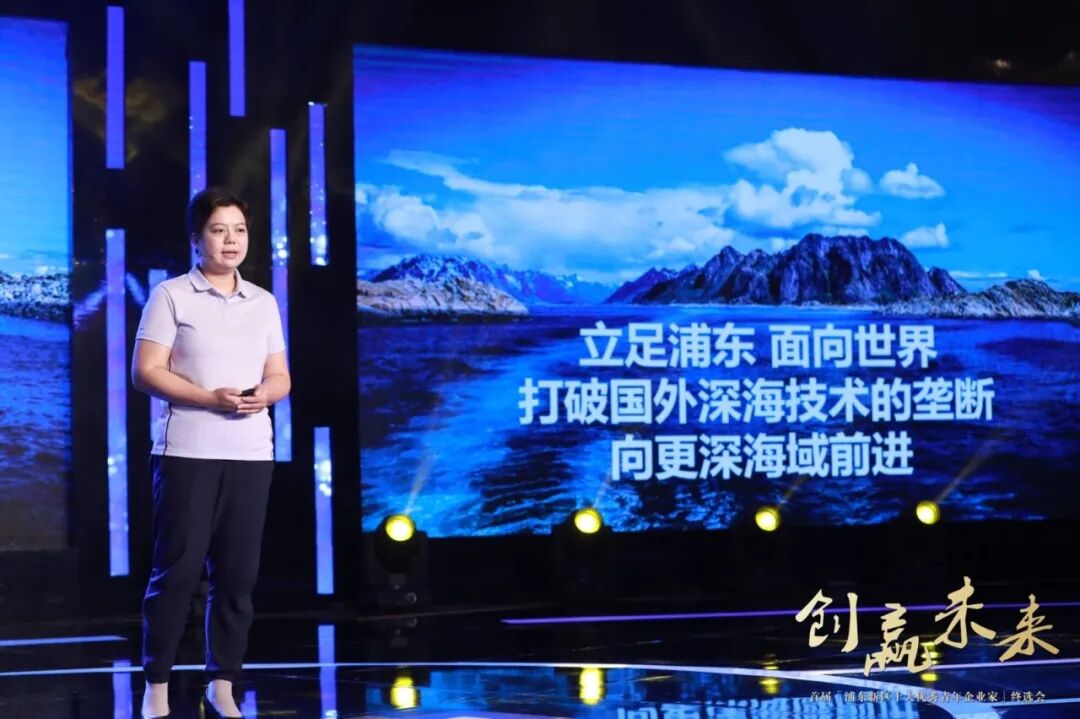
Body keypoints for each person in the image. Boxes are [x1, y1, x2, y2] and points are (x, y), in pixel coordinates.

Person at [131, 187, 290, 719]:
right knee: (176, 574)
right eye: (218, 230)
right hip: (187, 451)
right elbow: (145, 372)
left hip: (251, 453)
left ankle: (222, 684)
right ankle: (156, 685)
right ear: (196, 240)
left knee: (238, 577)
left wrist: (265, 394)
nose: (231, 240)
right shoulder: (171, 295)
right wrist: (209, 398)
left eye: (239, 230)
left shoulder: (263, 302)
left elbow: (280, 375)